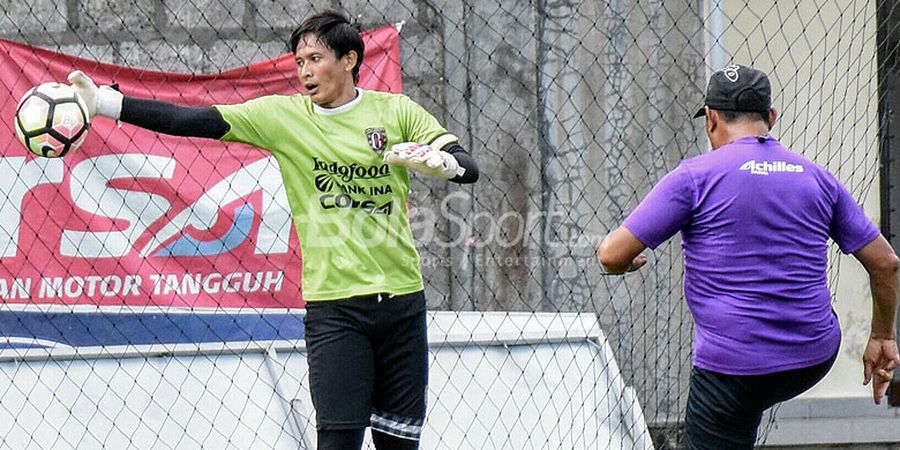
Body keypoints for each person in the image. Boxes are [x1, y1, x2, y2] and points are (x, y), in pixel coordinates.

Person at [67, 10, 479, 450]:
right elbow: (191, 121)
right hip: (336, 309)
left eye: (316, 59)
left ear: (349, 59)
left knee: (399, 445)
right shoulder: (283, 117)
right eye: (299, 62)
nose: (304, 71)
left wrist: (446, 162)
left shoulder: (394, 111)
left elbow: (467, 166)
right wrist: (107, 104)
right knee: (337, 443)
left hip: (403, 306)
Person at [597, 64, 899, 449]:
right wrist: (882, 336)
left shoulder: (694, 176)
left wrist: (627, 262)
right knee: (749, 403)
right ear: (770, 118)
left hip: (733, 366)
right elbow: (886, 263)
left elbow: (610, 254)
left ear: (711, 119)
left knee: (736, 402)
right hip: (812, 356)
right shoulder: (817, 178)